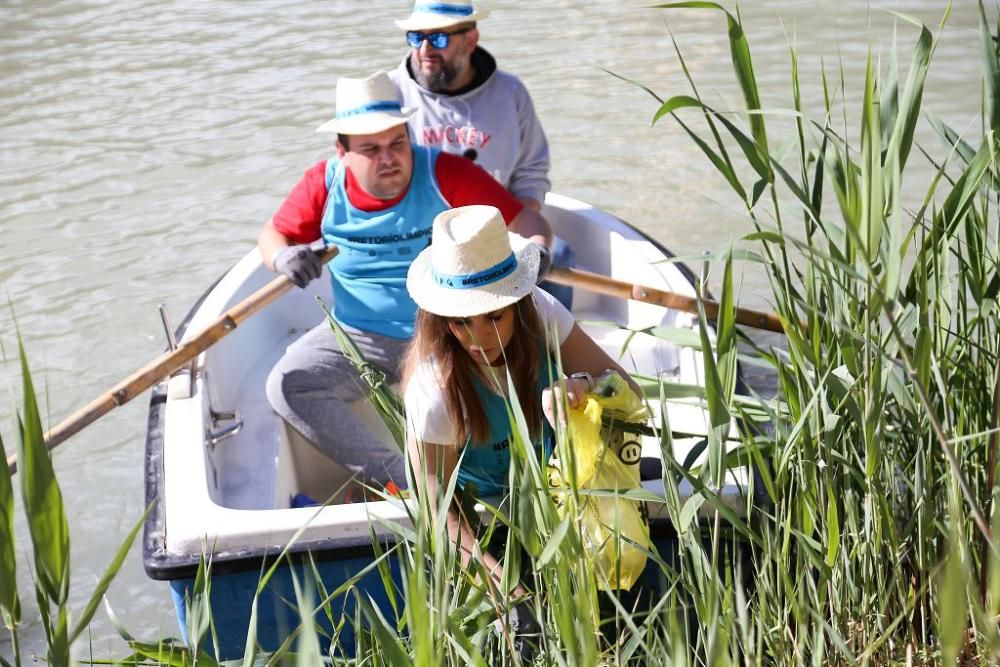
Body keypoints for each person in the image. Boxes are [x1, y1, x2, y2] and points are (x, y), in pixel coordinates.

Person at [259, 71, 552, 489]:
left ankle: (499, 481)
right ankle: (405, 483)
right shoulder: (322, 185)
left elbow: (526, 220)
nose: (389, 158)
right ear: (341, 151)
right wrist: (283, 256)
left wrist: (538, 247)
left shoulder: (446, 173)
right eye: (371, 149)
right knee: (287, 386)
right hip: (358, 335)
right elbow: (272, 235)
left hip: (449, 331)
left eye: (398, 142)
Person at [401, 205, 640, 619]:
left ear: (518, 303)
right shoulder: (433, 390)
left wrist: (580, 385)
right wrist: (501, 585)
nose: (480, 338)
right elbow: (438, 508)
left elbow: (628, 392)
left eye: (494, 316)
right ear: (441, 320)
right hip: (489, 511)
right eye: (461, 322)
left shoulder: (542, 311)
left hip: (562, 484)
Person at [389, 0, 576, 308]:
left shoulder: (510, 92)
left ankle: (548, 348)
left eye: (438, 38)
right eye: (416, 37)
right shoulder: (391, 95)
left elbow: (531, 173)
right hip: (422, 236)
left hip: (498, 229)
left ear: (471, 40)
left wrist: (510, 231)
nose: (424, 50)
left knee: (561, 254)